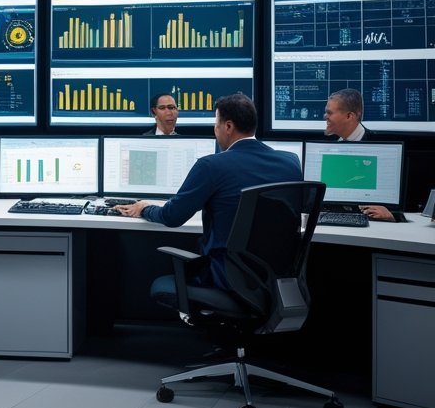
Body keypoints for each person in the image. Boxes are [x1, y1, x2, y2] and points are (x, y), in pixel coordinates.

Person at [114, 93, 301, 290]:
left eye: (216, 123)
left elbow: (171, 217)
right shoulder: (291, 161)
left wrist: (145, 207)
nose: (215, 129)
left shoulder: (211, 166)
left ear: (228, 126)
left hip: (226, 278)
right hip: (277, 279)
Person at [324, 88, 397, 222]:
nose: (325, 116)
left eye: (329, 113)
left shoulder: (383, 148)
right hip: (334, 221)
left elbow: (404, 205)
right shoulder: (325, 146)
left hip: (374, 227)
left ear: (349, 116)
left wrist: (392, 214)